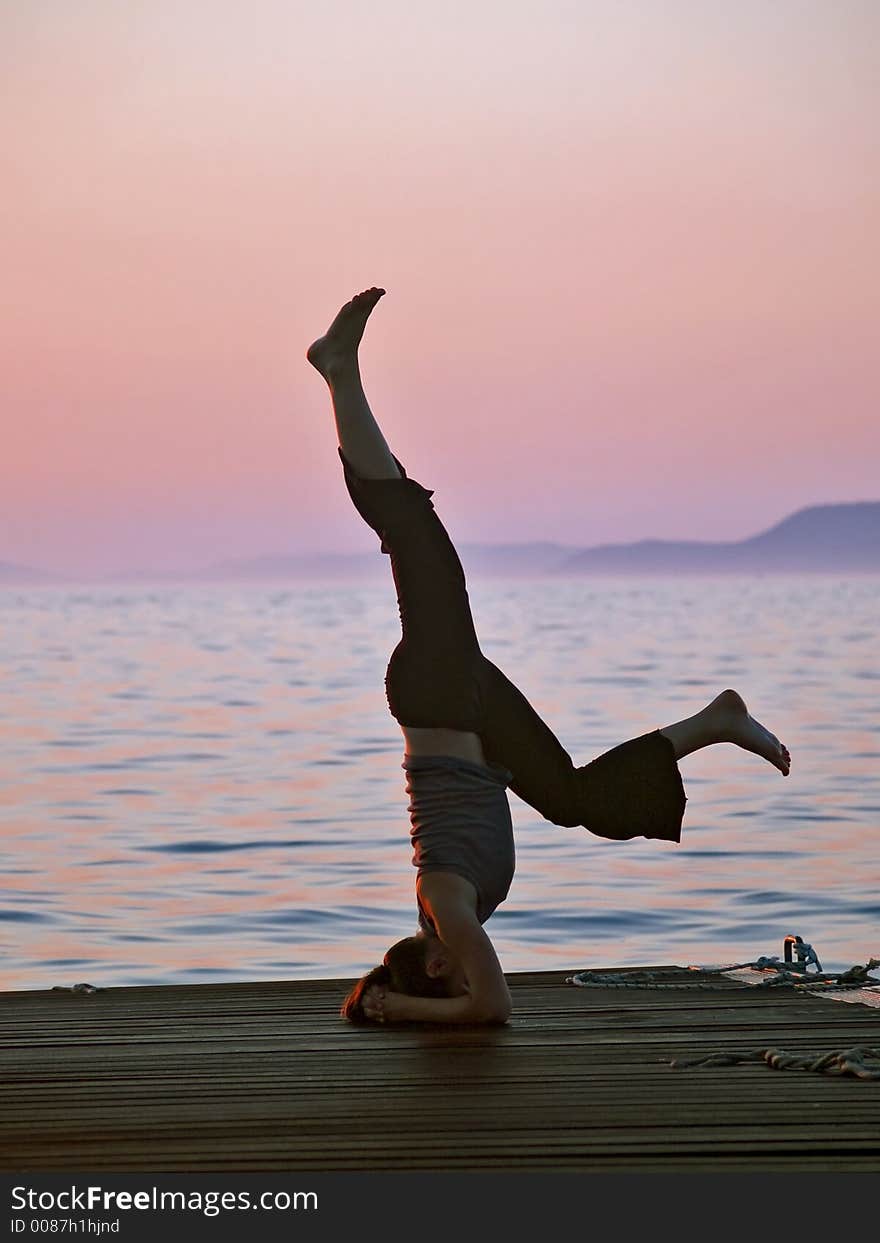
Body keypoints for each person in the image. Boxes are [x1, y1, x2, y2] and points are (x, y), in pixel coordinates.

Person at [307, 288, 791, 1026]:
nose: (470, 965)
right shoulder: (450, 918)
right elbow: (481, 998)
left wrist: (399, 1009)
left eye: (451, 971)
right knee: (572, 803)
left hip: (439, 696)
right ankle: (714, 721)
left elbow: (493, 1008)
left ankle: (339, 371)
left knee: (414, 533)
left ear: (438, 965)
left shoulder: (443, 906)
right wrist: (406, 1001)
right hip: (473, 715)